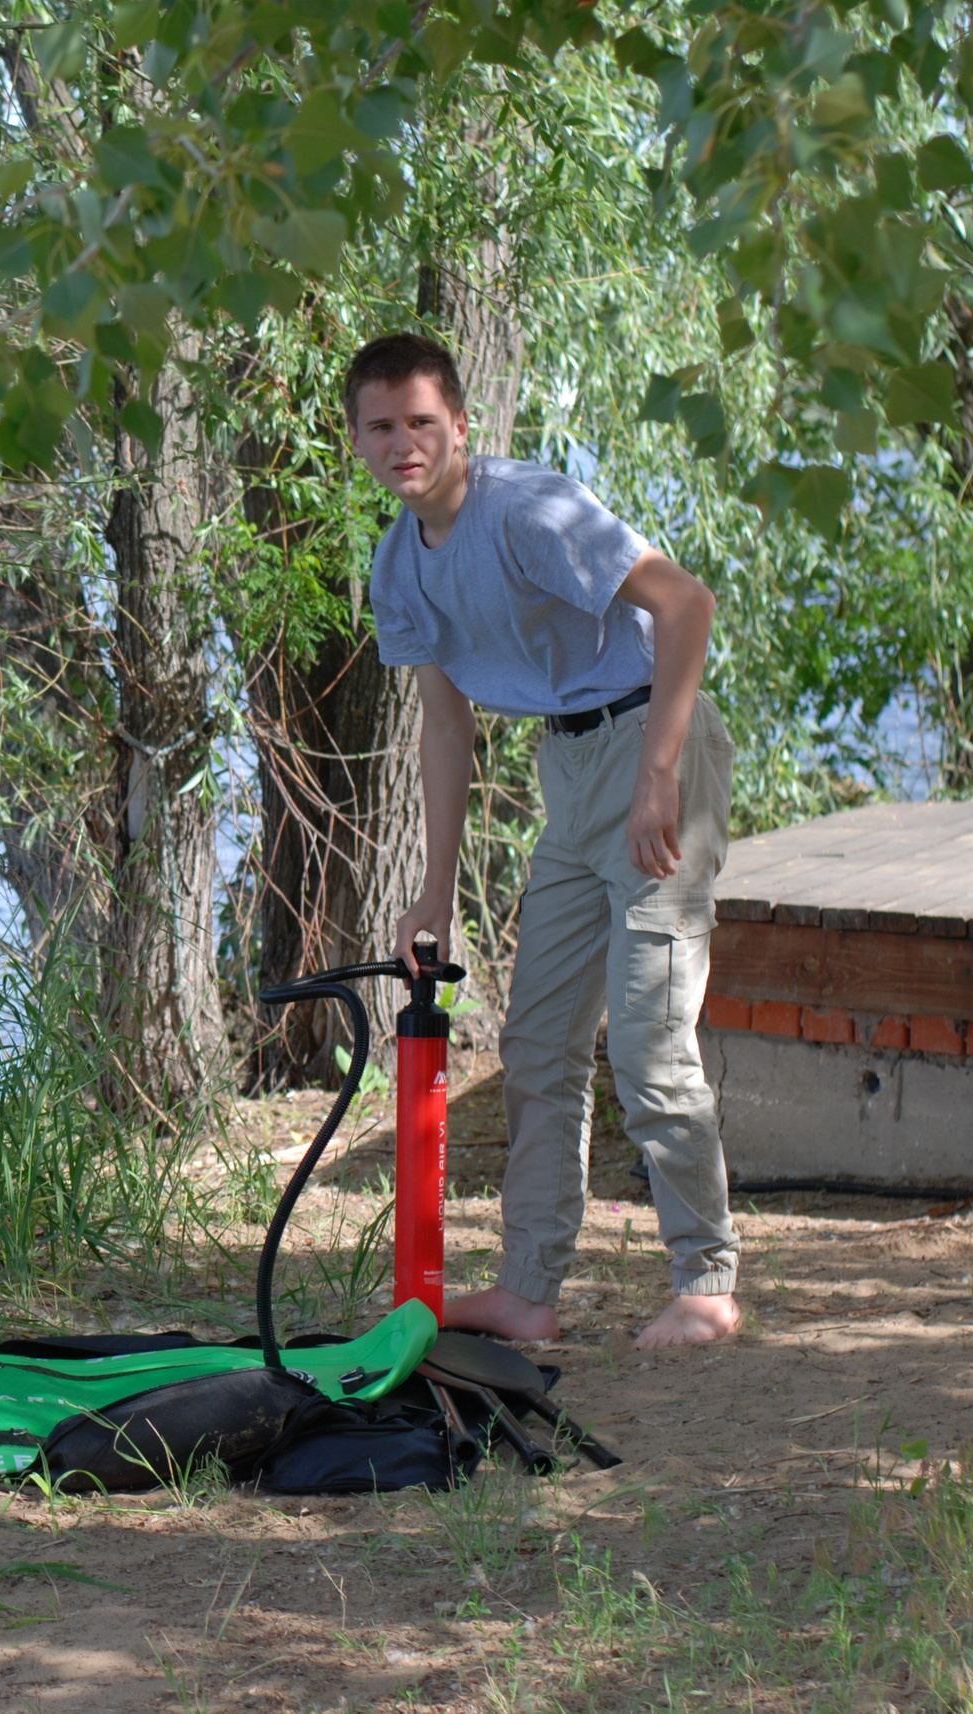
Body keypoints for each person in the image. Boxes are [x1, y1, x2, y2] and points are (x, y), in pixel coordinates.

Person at [347, 332, 740, 1350]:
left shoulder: (524, 512)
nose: (403, 444)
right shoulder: (398, 563)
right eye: (381, 426)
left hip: (655, 741)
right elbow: (445, 724)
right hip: (570, 775)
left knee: (650, 1037)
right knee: (535, 1044)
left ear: (459, 426)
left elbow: (684, 602)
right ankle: (528, 1290)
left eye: (421, 422)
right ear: (354, 438)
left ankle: (706, 1281)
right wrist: (434, 890)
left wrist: (659, 773)